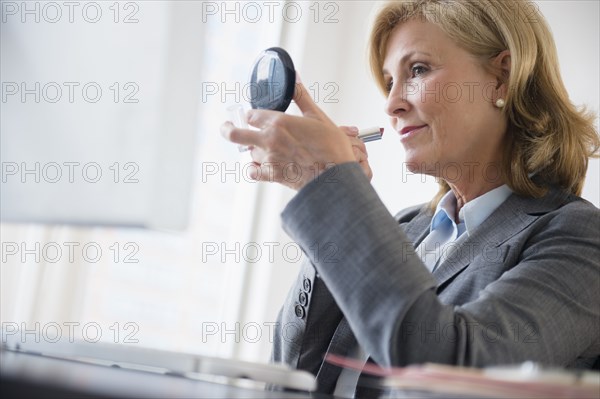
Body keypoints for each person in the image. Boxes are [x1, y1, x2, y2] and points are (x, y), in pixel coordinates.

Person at [221, 0, 600, 396]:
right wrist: (336, 205)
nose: (391, 103)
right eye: (388, 82)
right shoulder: (403, 230)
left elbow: (455, 376)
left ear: (502, 77)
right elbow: (292, 376)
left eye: (417, 70)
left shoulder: (581, 239)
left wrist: (332, 191)